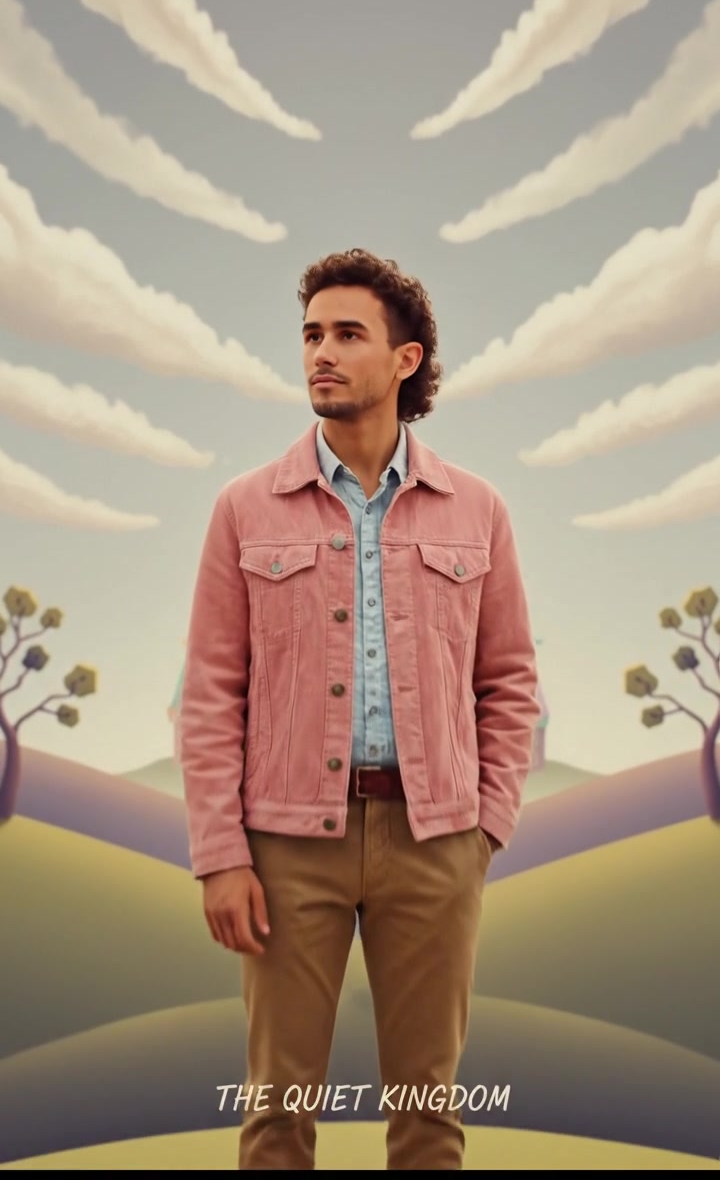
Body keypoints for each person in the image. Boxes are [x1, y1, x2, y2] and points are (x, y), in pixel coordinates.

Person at [178, 248, 540, 1171]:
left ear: (406, 360)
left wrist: (483, 829)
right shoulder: (243, 509)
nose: (320, 354)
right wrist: (222, 855)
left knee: (429, 1121)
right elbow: (212, 695)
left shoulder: (480, 510)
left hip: (436, 843)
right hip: (288, 847)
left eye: (347, 334)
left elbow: (509, 682)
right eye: (310, 334)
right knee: (276, 1119)